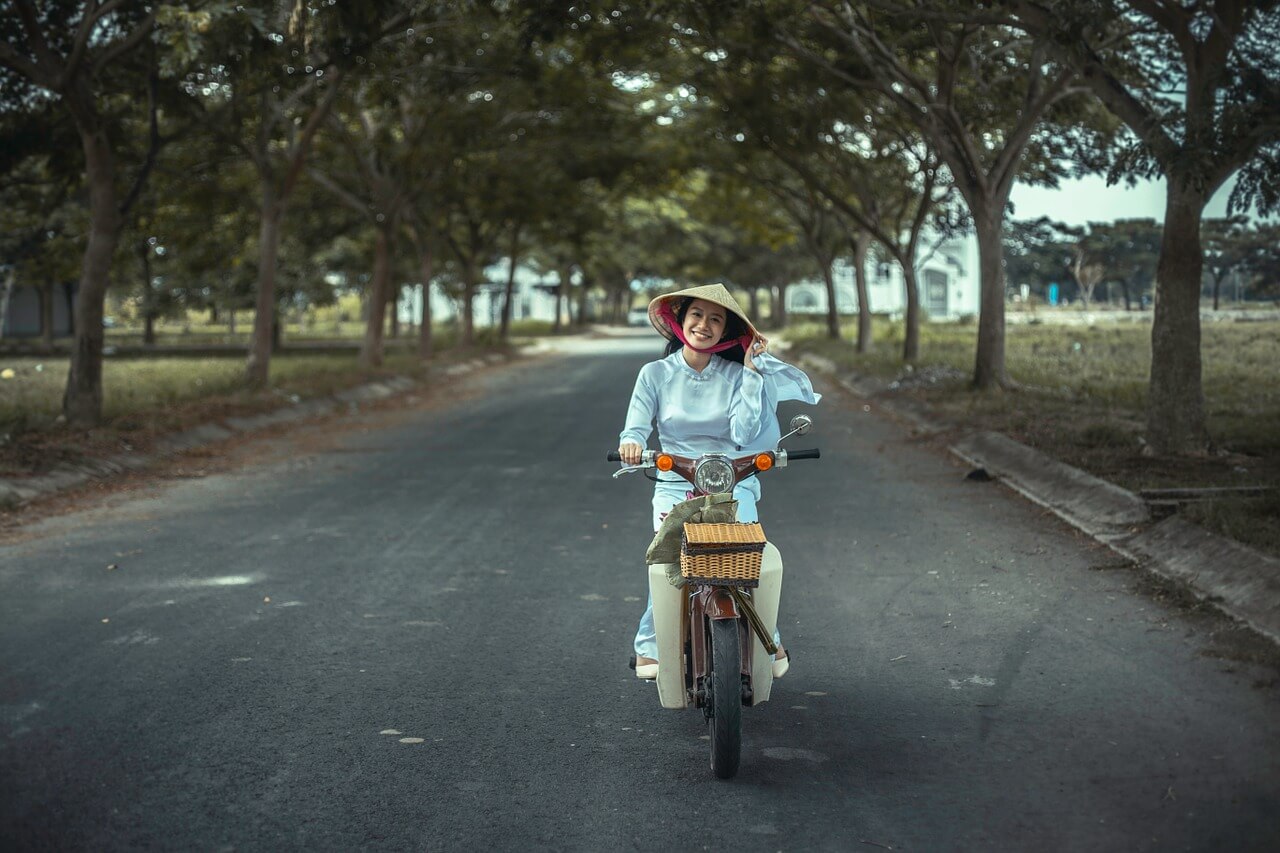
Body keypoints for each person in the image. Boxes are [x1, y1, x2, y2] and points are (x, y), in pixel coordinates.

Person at [617, 283, 821, 680]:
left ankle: (769, 637)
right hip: (675, 478)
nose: (704, 325)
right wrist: (630, 443)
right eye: (696, 315)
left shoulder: (734, 374)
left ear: (725, 331)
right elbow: (636, 428)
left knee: (748, 559)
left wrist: (749, 373)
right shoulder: (654, 374)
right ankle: (649, 643)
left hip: (731, 480)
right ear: (680, 320)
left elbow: (744, 434)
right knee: (671, 558)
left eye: (715, 319)